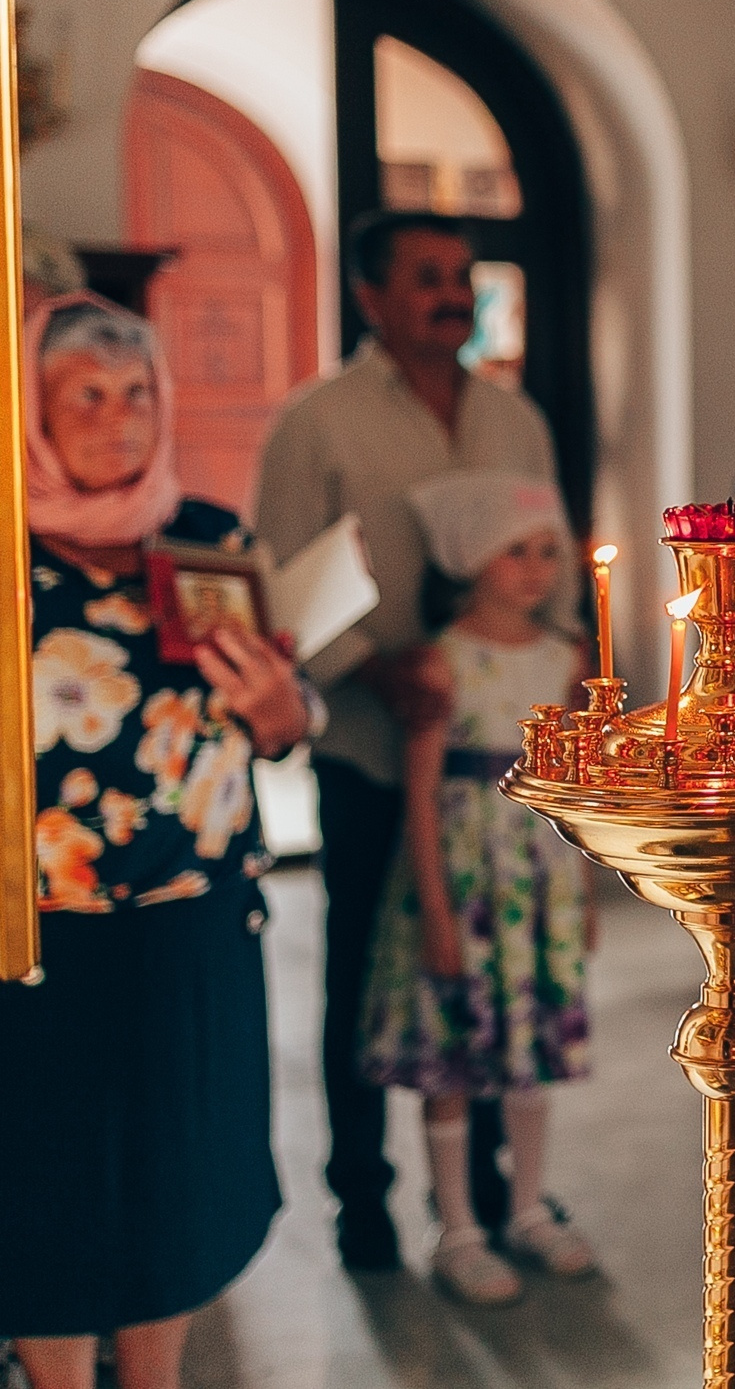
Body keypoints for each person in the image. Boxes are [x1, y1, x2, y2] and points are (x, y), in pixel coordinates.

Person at [0, 295, 316, 1389]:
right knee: (41, 1187)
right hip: (37, 940)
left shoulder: (204, 542)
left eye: (137, 394)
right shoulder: (2, 555)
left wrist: (285, 710)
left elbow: (285, 722)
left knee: (177, 1184)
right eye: (84, 395)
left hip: (194, 928)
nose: (118, 418)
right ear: (30, 409)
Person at [254, 212, 568, 1271]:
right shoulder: (318, 423)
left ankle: (484, 1198)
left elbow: (548, 559)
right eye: (426, 277)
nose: (451, 293)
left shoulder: (516, 417)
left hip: (493, 761)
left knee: (485, 972)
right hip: (376, 749)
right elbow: (282, 587)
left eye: (461, 276)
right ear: (371, 297)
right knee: (365, 976)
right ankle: (362, 1198)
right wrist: (373, 671)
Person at [361, 471, 597, 1307]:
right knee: (453, 1057)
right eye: (516, 553)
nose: (537, 570)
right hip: (462, 881)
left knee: (530, 1049)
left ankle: (528, 1206)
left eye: (547, 553)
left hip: (537, 881)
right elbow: (421, 792)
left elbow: (573, 780)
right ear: (470, 562)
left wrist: (587, 892)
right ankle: (457, 1225)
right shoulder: (441, 661)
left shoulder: (566, 657)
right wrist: (434, 911)